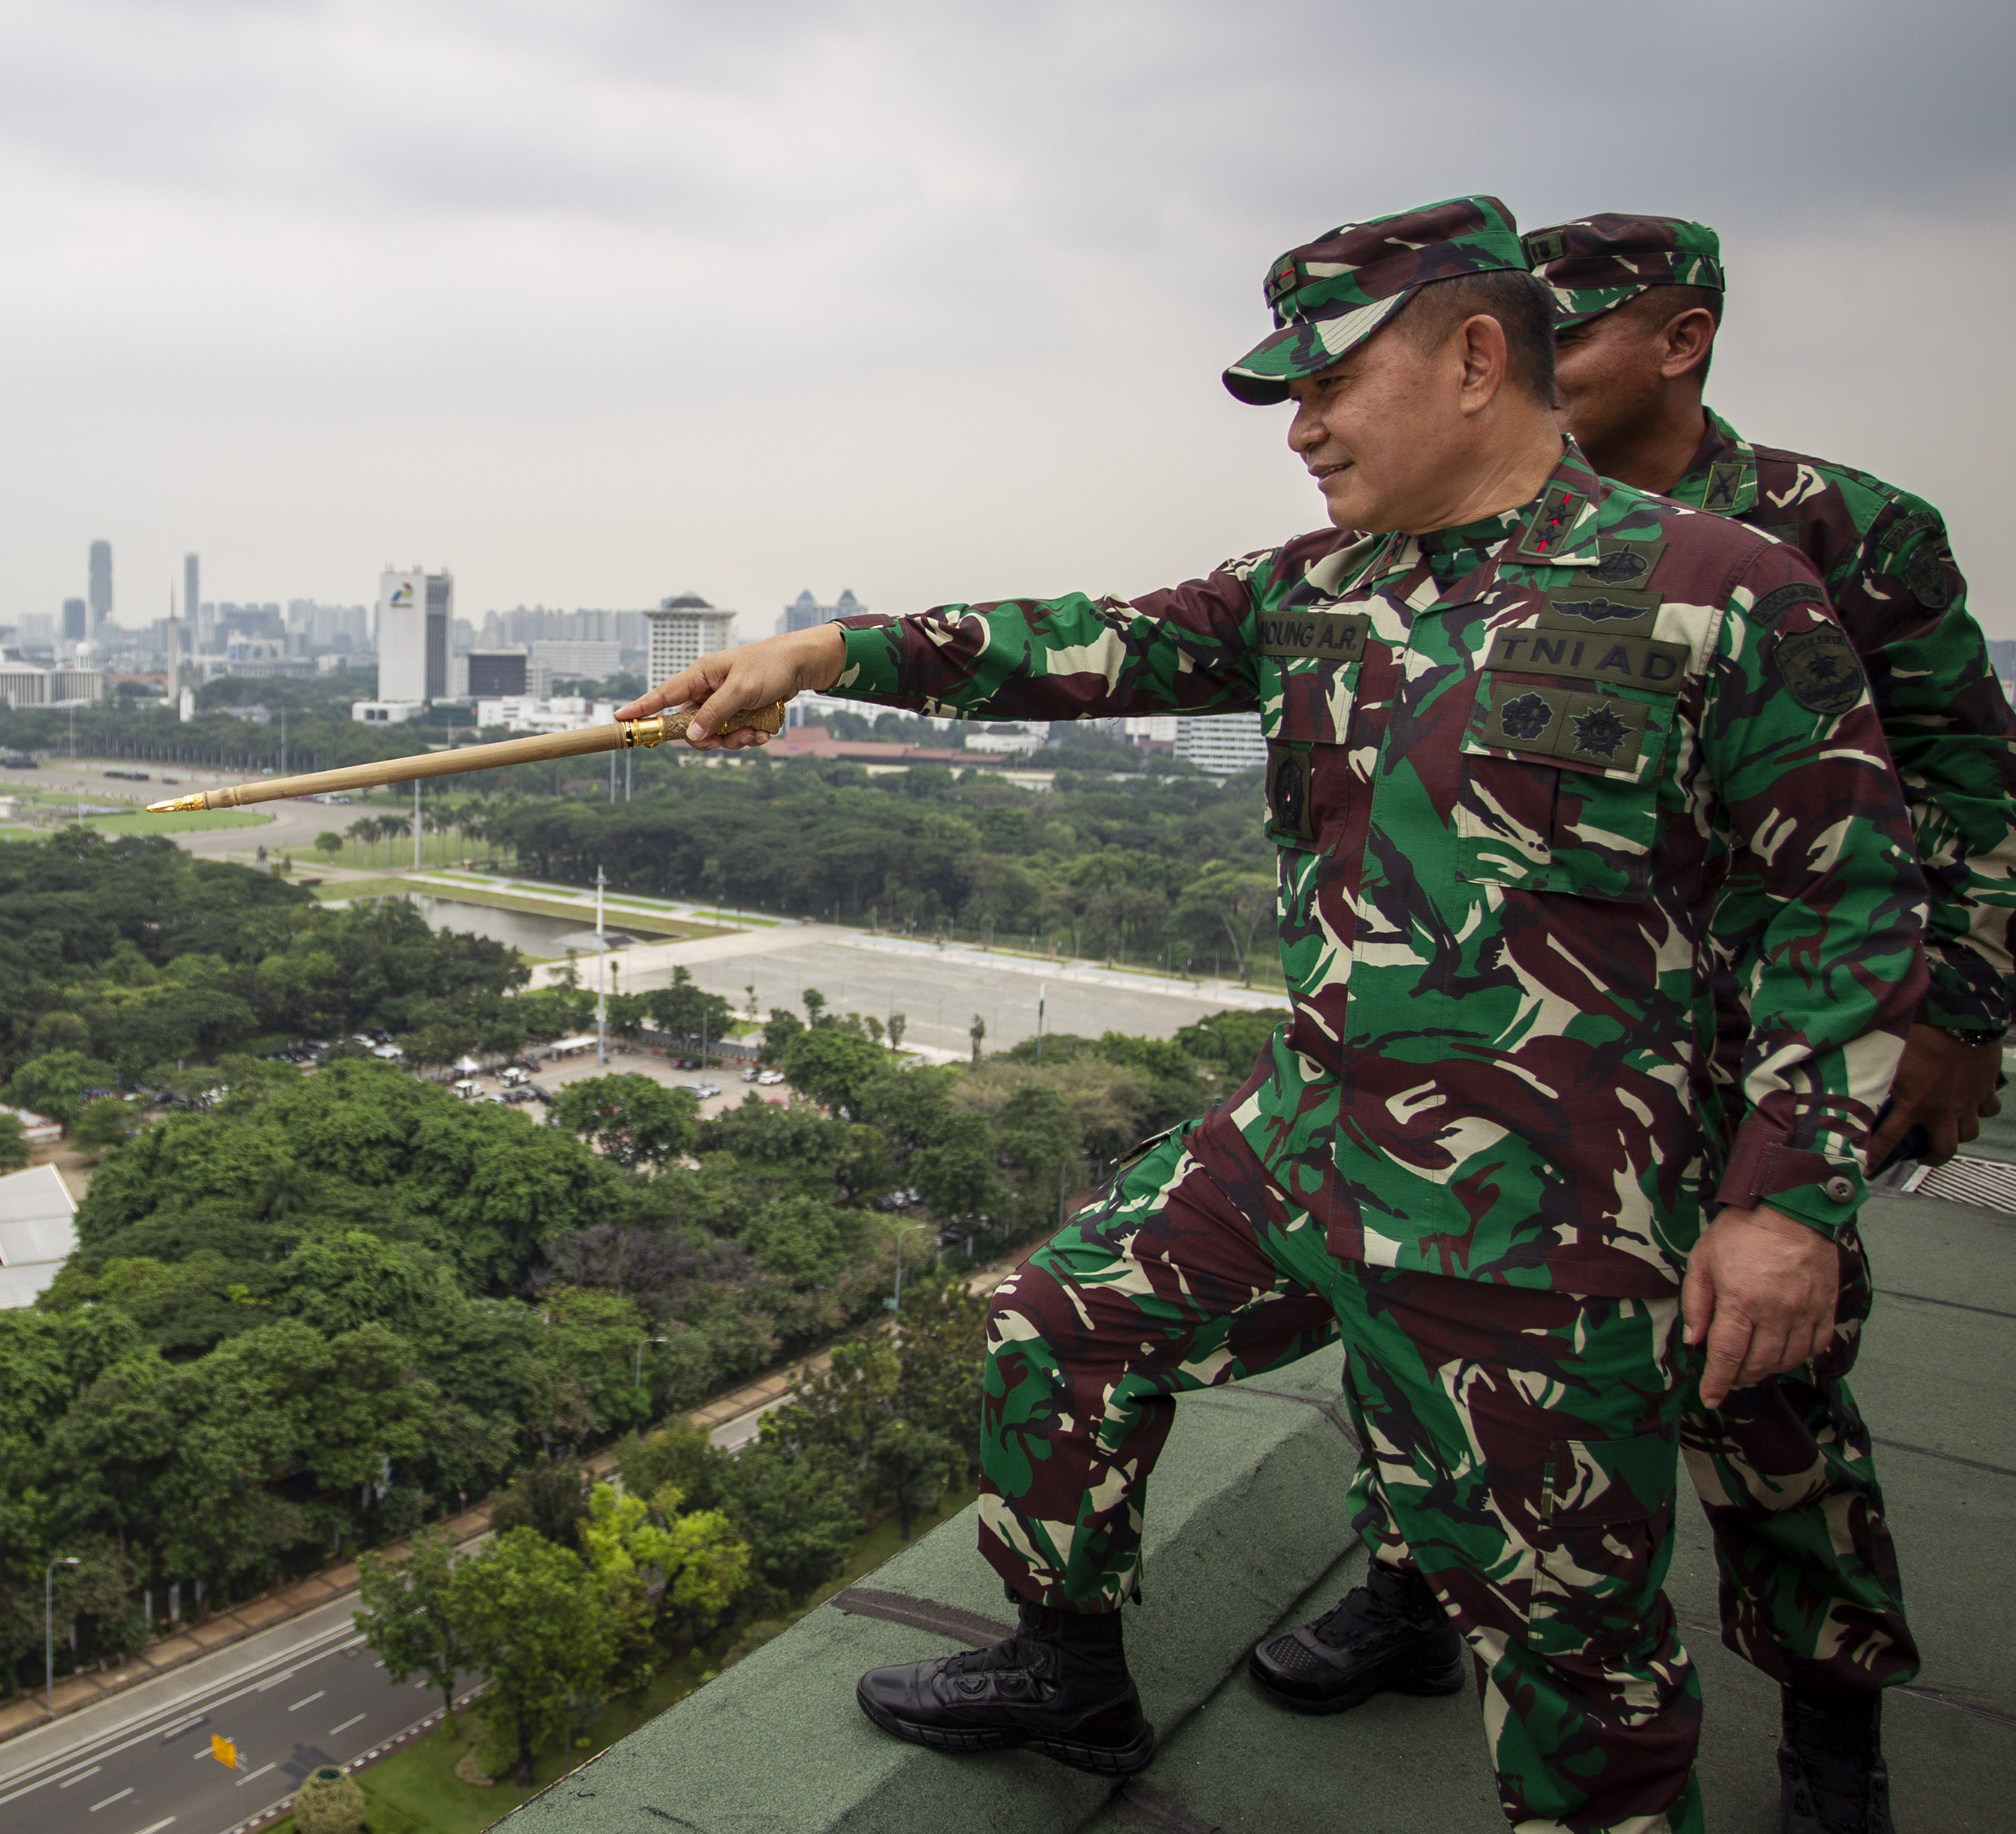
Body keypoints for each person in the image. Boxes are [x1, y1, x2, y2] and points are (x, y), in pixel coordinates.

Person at [621, 196, 1929, 1834]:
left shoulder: (1717, 590)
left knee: (1566, 1648)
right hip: (1308, 1138)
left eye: (1323, 384)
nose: (1298, 430)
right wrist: (816, 649)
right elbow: (1086, 642)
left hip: (1544, 1210)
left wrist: (1781, 1204)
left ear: (1471, 357)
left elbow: (1845, 907)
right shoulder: (1318, 588)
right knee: (1058, 1322)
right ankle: (1066, 1663)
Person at [1240, 214, 2013, 1834]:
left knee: (1764, 1402)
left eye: (1573, 333)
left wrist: (1955, 1015)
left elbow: (1944, 807)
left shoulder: (1823, 536)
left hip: (1763, 1063)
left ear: (1676, 340)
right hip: (1546, 1082)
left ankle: (1829, 1718)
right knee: (1461, 1378)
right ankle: (1411, 1597)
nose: (1543, 359)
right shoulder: (1453, 545)